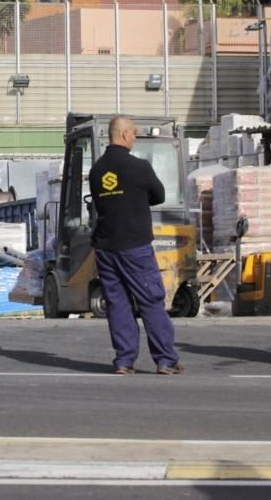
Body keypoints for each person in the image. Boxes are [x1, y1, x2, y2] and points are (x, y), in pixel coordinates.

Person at [88, 115, 183, 376]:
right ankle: (165, 360)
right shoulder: (139, 167)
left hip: (106, 248)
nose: (134, 137)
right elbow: (159, 195)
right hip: (135, 246)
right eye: (133, 133)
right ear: (124, 134)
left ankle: (124, 361)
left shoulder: (96, 171)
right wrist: (137, 200)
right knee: (151, 300)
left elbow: (101, 204)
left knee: (117, 304)